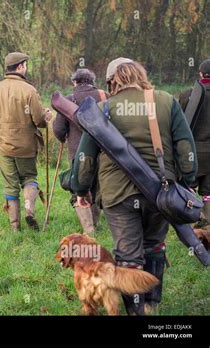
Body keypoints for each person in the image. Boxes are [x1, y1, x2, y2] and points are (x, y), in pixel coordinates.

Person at [71, 58, 197, 315]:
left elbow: (85, 158)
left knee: (128, 255)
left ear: (111, 82)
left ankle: (135, 312)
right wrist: (188, 180)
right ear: (141, 75)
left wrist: (81, 190)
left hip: (118, 196)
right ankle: (151, 307)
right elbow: (185, 147)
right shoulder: (166, 101)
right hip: (161, 194)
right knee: (154, 246)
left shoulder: (102, 108)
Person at [0, 52, 52, 231]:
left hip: (4, 146)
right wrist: (46, 117)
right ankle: (29, 210)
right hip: (26, 146)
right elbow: (39, 120)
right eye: (25, 64)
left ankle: (15, 228)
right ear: (20, 67)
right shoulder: (29, 90)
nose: (26, 68)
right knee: (30, 178)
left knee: (10, 185)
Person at [53, 68, 106, 235]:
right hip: (104, 151)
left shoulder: (69, 100)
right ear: (92, 82)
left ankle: (89, 228)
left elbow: (59, 130)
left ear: (74, 82)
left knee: (79, 186)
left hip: (78, 153)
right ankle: (95, 223)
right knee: (97, 186)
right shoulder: (105, 97)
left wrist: (62, 136)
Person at [179, 59, 210, 228]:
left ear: (200, 73)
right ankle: (208, 225)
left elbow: (178, 122)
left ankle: (191, 223)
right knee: (208, 193)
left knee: (188, 188)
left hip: (191, 153)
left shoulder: (187, 94)